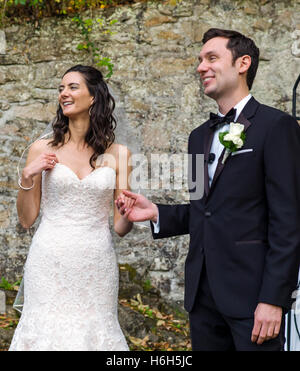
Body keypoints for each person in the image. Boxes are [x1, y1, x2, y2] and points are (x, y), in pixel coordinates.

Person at [116, 29, 300, 351]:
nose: (201, 67)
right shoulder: (198, 136)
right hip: (202, 300)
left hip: (254, 300)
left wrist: (273, 299)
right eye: (200, 60)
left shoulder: (277, 126)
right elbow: (205, 210)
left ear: (243, 63)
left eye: (211, 58)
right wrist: (157, 212)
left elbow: (289, 220)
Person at [10, 65, 134, 351]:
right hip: (49, 261)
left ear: (94, 97)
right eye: (61, 89)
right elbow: (27, 219)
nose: (64, 93)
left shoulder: (120, 155)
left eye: (72, 87)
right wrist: (28, 177)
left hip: (96, 265)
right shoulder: (42, 149)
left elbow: (120, 227)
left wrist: (127, 212)